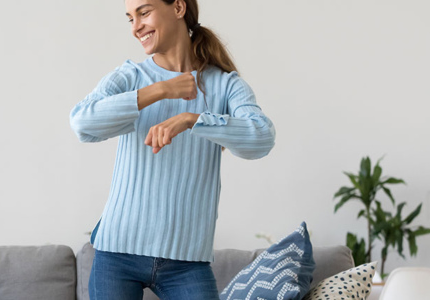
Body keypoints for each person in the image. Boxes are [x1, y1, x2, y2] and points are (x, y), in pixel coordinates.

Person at [69, 0, 276, 298]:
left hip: (187, 262)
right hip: (116, 255)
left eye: (144, 12)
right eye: (130, 18)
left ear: (178, 8)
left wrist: (194, 120)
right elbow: (82, 123)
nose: (136, 26)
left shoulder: (225, 85)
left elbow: (261, 138)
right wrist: (161, 90)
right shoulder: (131, 77)